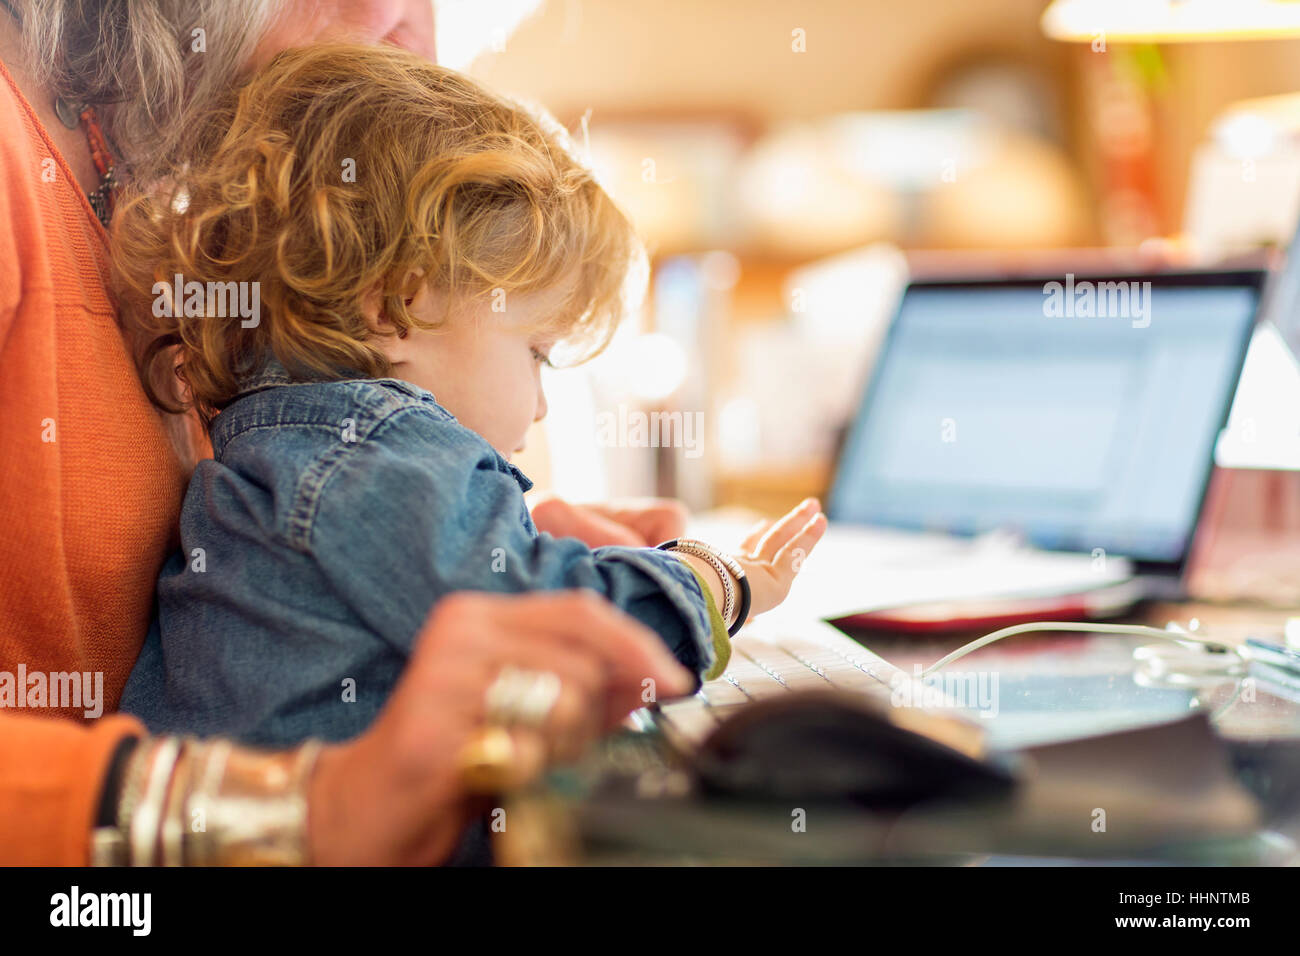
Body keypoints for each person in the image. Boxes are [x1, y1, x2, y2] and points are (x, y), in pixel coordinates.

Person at [0, 0, 709, 866]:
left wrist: (484, 519)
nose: (415, 36)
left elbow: (294, 490)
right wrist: (303, 811)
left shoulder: (199, 232)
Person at [110, 42, 827, 749]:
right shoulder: (375, 448)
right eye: (537, 353)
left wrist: (528, 536)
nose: (542, 404)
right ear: (396, 309)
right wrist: (720, 582)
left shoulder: (285, 443)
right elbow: (558, 633)